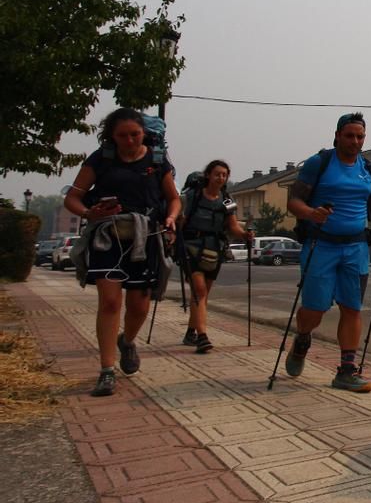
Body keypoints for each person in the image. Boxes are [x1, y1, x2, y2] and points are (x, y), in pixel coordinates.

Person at [63, 107, 181, 397]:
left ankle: (127, 341)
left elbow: (174, 198)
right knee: (110, 303)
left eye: (135, 135)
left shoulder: (156, 160)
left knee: (139, 305)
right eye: (122, 136)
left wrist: (170, 218)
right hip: (108, 236)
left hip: (146, 236)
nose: (129, 140)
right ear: (111, 136)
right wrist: (89, 213)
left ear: (143, 133)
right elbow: (72, 197)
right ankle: (106, 370)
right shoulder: (101, 159)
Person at [284, 113, 371, 392]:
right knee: (315, 309)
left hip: (356, 247)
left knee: (352, 307)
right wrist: (312, 213)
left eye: (360, 136)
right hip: (320, 245)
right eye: (349, 135)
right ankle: (302, 338)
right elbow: (294, 201)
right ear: (337, 135)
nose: (355, 141)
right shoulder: (319, 163)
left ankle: (346, 371)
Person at [178, 160, 255, 353]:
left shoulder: (227, 201)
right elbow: (180, 221)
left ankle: (190, 331)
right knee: (200, 290)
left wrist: (244, 235)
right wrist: (172, 238)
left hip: (214, 249)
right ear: (208, 175)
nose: (221, 178)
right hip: (191, 247)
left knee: (202, 294)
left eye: (224, 175)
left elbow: (233, 226)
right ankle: (202, 337)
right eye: (217, 174)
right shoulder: (192, 197)